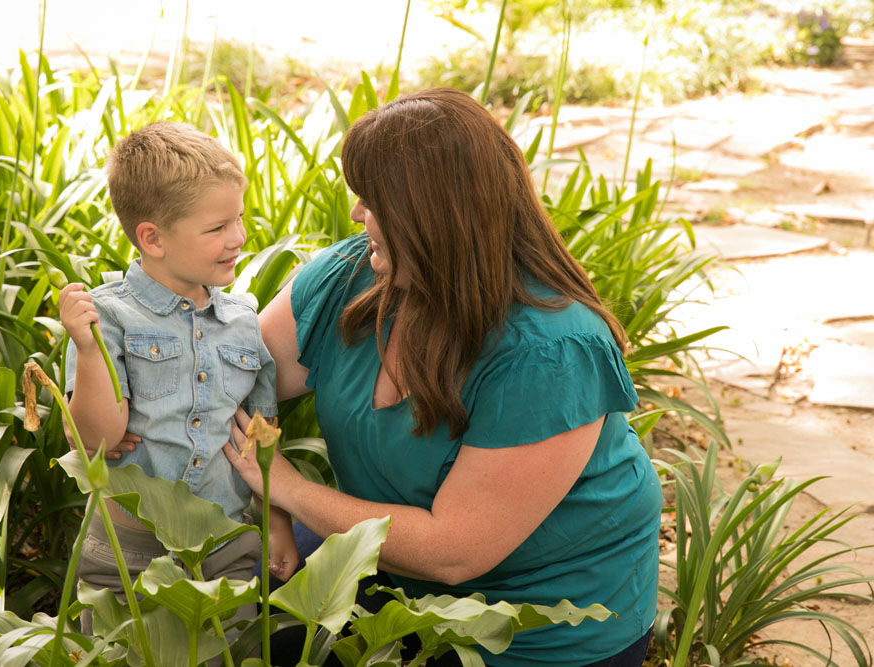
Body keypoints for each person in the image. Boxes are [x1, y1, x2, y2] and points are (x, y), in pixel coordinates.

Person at [223, 88, 663, 667]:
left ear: (433, 218)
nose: (357, 215)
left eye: (373, 201)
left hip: (539, 623)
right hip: (384, 571)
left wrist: (288, 489)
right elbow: (227, 377)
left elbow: (454, 550)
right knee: (227, 623)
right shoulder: (351, 276)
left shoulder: (552, 350)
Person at [59, 121, 299, 643]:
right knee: (127, 653)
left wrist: (275, 521)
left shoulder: (242, 319)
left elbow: (258, 436)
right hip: (130, 547)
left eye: (238, 220)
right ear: (153, 237)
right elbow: (96, 440)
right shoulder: (110, 317)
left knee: (220, 653)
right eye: (217, 228)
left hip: (225, 543)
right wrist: (86, 349)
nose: (238, 238)